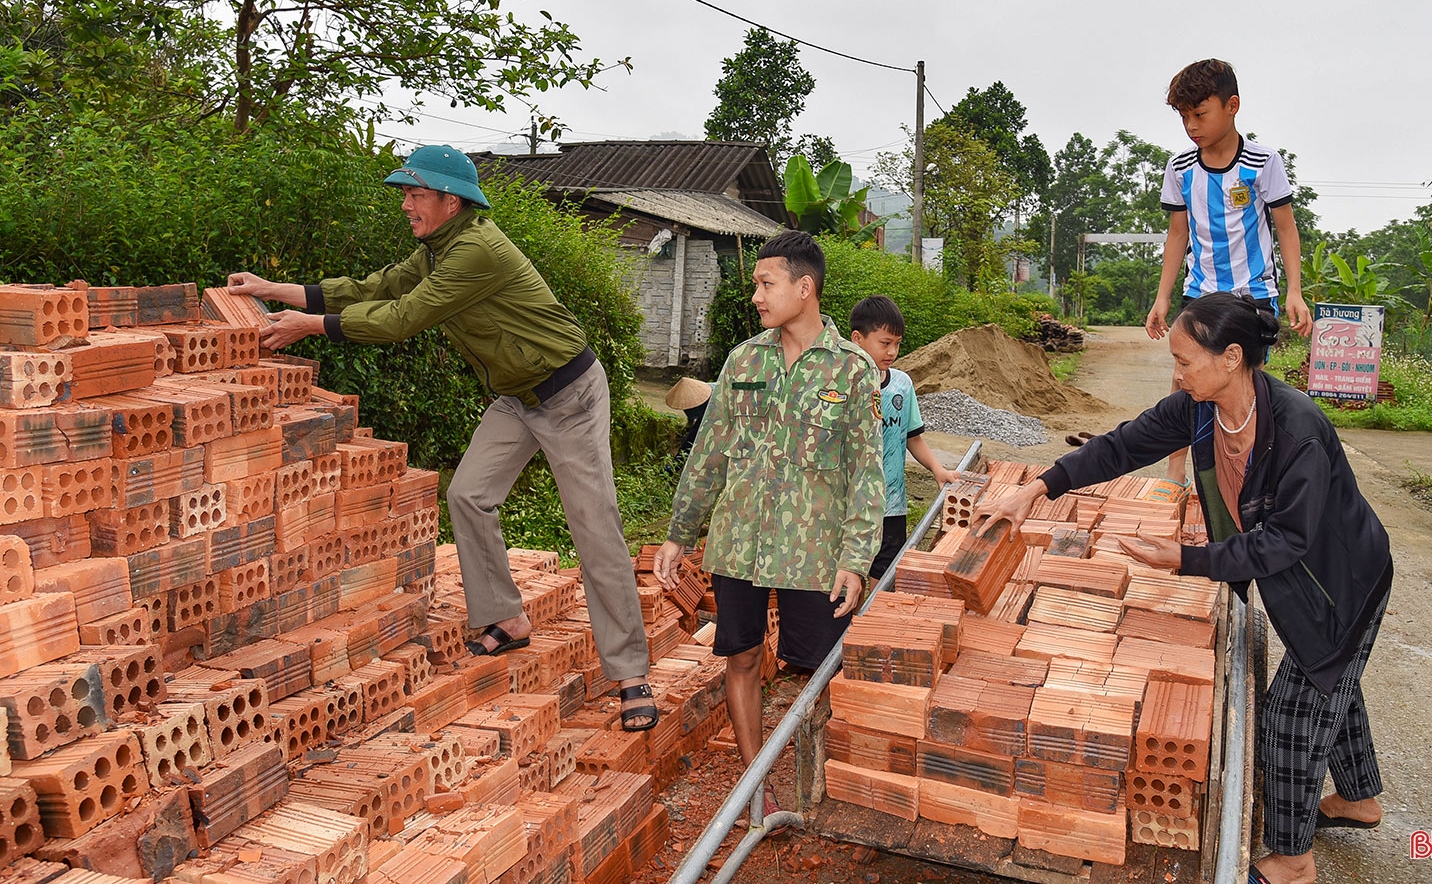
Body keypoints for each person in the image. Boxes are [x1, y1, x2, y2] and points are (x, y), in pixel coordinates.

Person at [228, 144, 657, 731]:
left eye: (415, 194)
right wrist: (281, 290)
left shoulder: (476, 250)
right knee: (468, 494)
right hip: (517, 396)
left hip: (569, 394)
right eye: (405, 193)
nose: (405, 204)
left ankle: (631, 673)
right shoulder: (437, 250)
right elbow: (376, 287)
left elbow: (404, 317)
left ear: (449, 200)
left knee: (594, 527)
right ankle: (507, 619)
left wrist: (314, 327)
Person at [974, 293, 1392, 884]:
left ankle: (1293, 861)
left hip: (1339, 583)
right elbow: (1119, 446)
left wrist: (1187, 558)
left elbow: (1285, 543)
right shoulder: (1199, 410)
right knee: (1333, 680)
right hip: (1303, 575)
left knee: (1291, 714)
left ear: (1232, 358)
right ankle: (1360, 799)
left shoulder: (1298, 430)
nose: (1176, 373)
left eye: (1185, 360)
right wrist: (1036, 489)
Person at [654, 231, 883, 819]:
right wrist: (680, 532)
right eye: (757, 284)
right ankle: (754, 788)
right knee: (744, 659)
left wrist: (856, 559)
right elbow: (709, 451)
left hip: (814, 551)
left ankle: (816, 786)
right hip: (739, 546)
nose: (756, 295)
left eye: (766, 283)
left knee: (818, 673)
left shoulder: (853, 370)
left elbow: (865, 475)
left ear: (803, 288)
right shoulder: (744, 361)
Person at [1145, 59, 1314, 488]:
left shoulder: (1262, 161)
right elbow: (1177, 235)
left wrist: (1294, 291)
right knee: (1185, 377)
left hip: (1252, 296)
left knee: (1243, 387)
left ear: (1232, 105)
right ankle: (1175, 471)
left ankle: (1243, 475)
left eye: (1200, 114)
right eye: (1184, 117)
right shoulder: (1180, 169)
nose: (1191, 126)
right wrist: (1163, 297)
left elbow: (1286, 228)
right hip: (1200, 293)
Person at [846, 295, 958, 580]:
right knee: (849, 579)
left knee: (883, 579)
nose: (892, 351)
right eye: (885, 343)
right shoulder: (842, 385)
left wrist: (937, 469)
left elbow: (913, 437)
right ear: (857, 339)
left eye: (897, 343)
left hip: (892, 505)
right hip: (851, 505)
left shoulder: (901, 384)